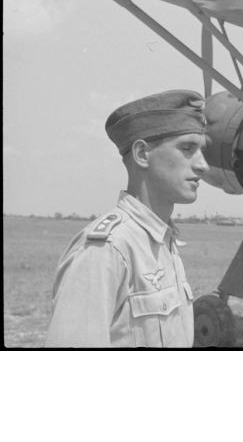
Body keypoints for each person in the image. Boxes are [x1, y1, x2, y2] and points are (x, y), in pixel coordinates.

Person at [45, 90, 209, 348]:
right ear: (142, 154)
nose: (203, 165)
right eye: (187, 148)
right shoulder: (107, 250)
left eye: (202, 150)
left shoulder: (162, 241)